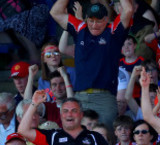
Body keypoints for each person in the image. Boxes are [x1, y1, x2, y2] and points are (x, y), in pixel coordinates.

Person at [50, 0, 133, 128]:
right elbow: (55, 12)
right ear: (86, 19)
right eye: (91, 20)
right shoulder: (80, 28)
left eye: (99, 21)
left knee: (106, 140)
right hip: (80, 97)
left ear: (106, 19)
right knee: (79, 141)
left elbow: (128, 10)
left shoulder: (114, 31)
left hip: (104, 98)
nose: (94, 25)